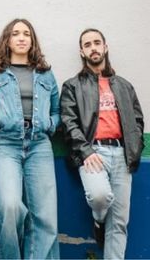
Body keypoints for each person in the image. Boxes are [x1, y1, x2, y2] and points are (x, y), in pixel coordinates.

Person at [60, 28, 144, 259]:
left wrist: (134, 149)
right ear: (82, 52)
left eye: (97, 43)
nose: (93, 48)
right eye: (87, 45)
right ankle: (98, 221)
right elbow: (68, 122)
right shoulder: (72, 86)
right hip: (92, 153)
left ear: (105, 47)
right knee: (100, 196)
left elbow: (137, 121)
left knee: (119, 223)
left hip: (122, 155)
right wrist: (86, 151)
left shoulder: (124, 86)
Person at [0, 18, 60, 259]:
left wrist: (50, 124)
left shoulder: (46, 74)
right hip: (4, 144)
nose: (21, 38)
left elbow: (57, 110)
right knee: (9, 206)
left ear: (32, 40)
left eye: (26, 33)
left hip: (39, 145)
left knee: (45, 217)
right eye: (15, 33)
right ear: (7, 40)